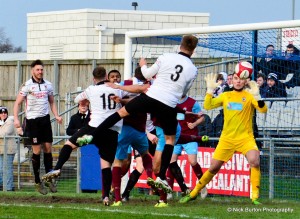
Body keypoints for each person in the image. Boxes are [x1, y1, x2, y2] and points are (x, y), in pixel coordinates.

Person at [77, 35, 199, 207]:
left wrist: (143, 65)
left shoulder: (166, 57)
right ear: (194, 50)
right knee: (170, 140)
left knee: (120, 113)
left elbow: (147, 74)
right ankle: (162, 177)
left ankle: (91, 135)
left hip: (151, 98)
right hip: (168, 105)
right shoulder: (193, 69)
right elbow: (183, 92)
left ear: (180, 45)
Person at [41, 66, 127, 206]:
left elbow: (77, 100)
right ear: (106, 76)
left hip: (94, 126)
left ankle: (57, 168)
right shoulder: (118, 88)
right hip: (112, 130)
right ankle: (105, 197)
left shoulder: (91, 89)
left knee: (69, 145)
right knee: (106, 165)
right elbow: (127, 97)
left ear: (94, 78)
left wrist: (87, 100)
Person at [179, 72, 268, 205]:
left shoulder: (249, 96)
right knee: (213, 168)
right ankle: (193, 193)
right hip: (227, 139)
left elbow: (263, 110)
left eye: (241, 79)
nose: (238, 81)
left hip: (245, 138)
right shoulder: (226, 96)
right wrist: (210, 91)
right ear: (232, 81)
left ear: (245, 81)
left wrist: (258, 96)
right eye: (236, 79)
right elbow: (208, 106)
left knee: (254, 161)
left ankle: (255, 197)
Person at [13, 59, 63, 195]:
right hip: (32, 121)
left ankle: (48, 178)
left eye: (41, 69)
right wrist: (16, 119)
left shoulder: (48, 85)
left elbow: (52, 102)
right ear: (32, 71)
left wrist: (57, 115)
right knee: (37, 151)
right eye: (37, 69)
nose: (40, 72)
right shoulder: (27, 85)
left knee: (48, 149)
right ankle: (37, 181)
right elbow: (17, 103)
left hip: (45, 120)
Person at [166, 95, 208, 199]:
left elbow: (202, 118)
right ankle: (169, 190)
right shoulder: (171, 101)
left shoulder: (193, 103)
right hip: (175, 137)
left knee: (193, 161)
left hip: (190, 137)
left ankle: (202, 186)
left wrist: (194, 124)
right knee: (171, 161)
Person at [0, 106, 16, 191]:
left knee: (7, 169)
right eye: (1, 113)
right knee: (1, 170)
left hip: (9, 150)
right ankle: (5, 186)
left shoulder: (10, 122)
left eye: (5, 113)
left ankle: (9, 188)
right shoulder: (1, 122)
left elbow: (5, 133)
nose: (3, 114)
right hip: (1, 150)